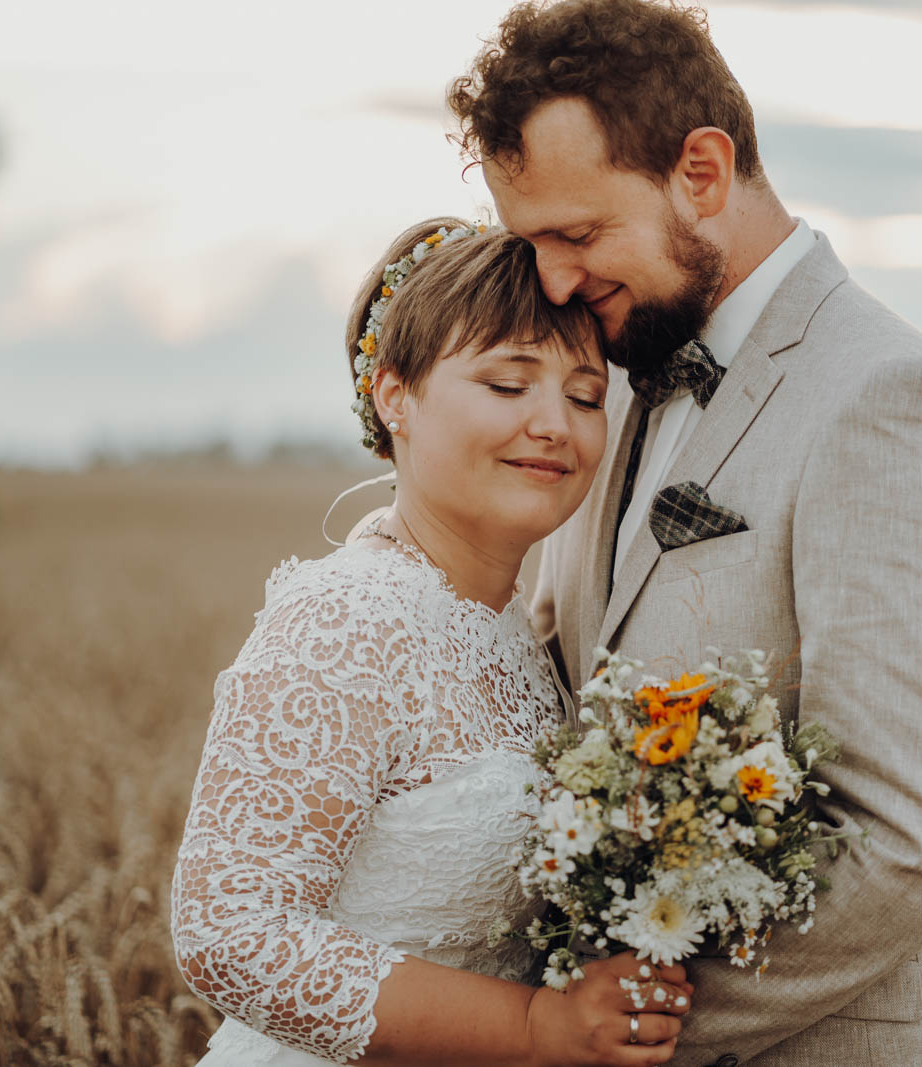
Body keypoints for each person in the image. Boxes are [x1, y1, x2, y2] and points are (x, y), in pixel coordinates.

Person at [448, 3, 922, 1065]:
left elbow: (912, 843)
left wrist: (628, 1030)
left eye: (577, 235)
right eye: (530, 243)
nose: (551, 283)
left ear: (703, 172)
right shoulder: (613, 383)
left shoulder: (891, 400)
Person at [170, 217, 694, 1066]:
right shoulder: (347, 618)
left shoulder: (519, 634)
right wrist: (532, 1027)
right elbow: (229, 929)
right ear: (394, 396)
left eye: (586, 395)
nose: (555, 423)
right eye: (507, 383)